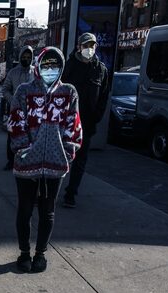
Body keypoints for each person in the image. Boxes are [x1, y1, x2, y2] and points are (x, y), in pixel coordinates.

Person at [7, 46, 83, 273]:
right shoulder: (24, 91)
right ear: (38, 66)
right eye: (46, 65)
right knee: (25, 209)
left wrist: (68, 152)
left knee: (47, 211)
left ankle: (40, 253)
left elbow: (73, 125)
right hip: (27, 163)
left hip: (55, 163)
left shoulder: (69, 92)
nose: (50, 69)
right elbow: (15, 121)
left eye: (55, 65)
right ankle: (24, 253)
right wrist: (23, 149)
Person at [61, 32, 109, 208]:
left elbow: (103, 96)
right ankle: (48, 190)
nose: (90, 49)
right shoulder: (69, 66)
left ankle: (71, 193)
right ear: (78, 47)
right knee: (60, 157)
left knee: (80, 160)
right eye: (86, 45)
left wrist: (96, 117)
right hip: (66, 121)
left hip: (87, 123)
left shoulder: (101, 70)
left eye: (92, 45)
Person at [2, 46, 35, 170]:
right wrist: (13, 101)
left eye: (29, 57)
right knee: (13, 135)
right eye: (24, 57)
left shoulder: (35, 72)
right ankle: (11, 161)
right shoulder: (13, 72)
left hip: (31, 110)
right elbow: (5, 89)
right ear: (20, 57)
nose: (26, 59)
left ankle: (27, 159)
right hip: (15, 110)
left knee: (30, 136)